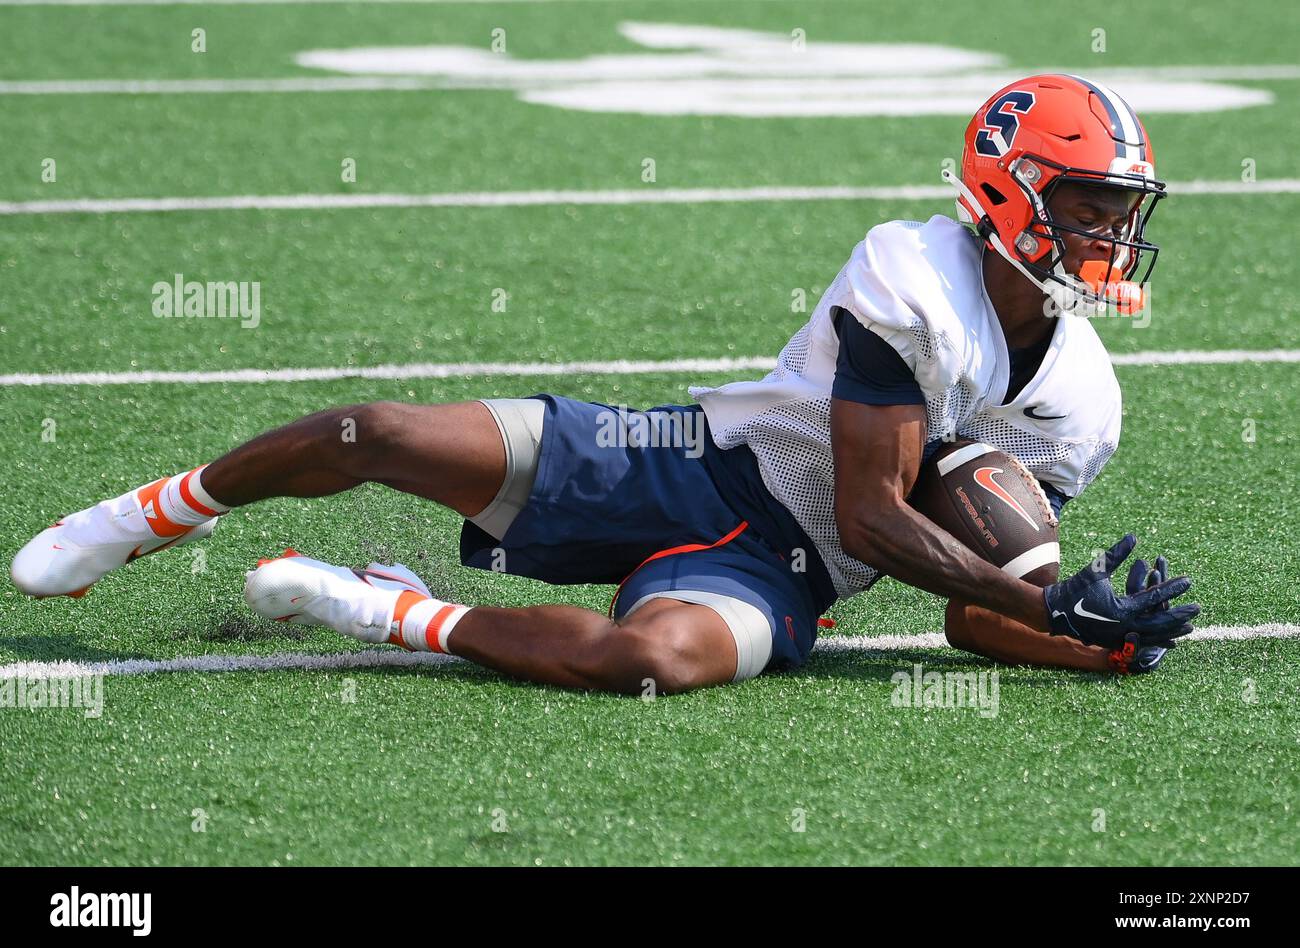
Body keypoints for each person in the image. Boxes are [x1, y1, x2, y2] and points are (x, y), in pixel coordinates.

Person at [11, 74, 1198, 693]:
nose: (1108, 234)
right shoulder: (915, 273)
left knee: (649, 663)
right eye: (1088, 203)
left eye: (1121, 211)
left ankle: (390, 607)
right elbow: (873, 510)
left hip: (780, 571)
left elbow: (971, 610)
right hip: (687, 458)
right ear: (1004, 188)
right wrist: (1041, 604)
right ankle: (152, 514)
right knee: (368, 428)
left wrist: (1091, 631)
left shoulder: (1083, 401)